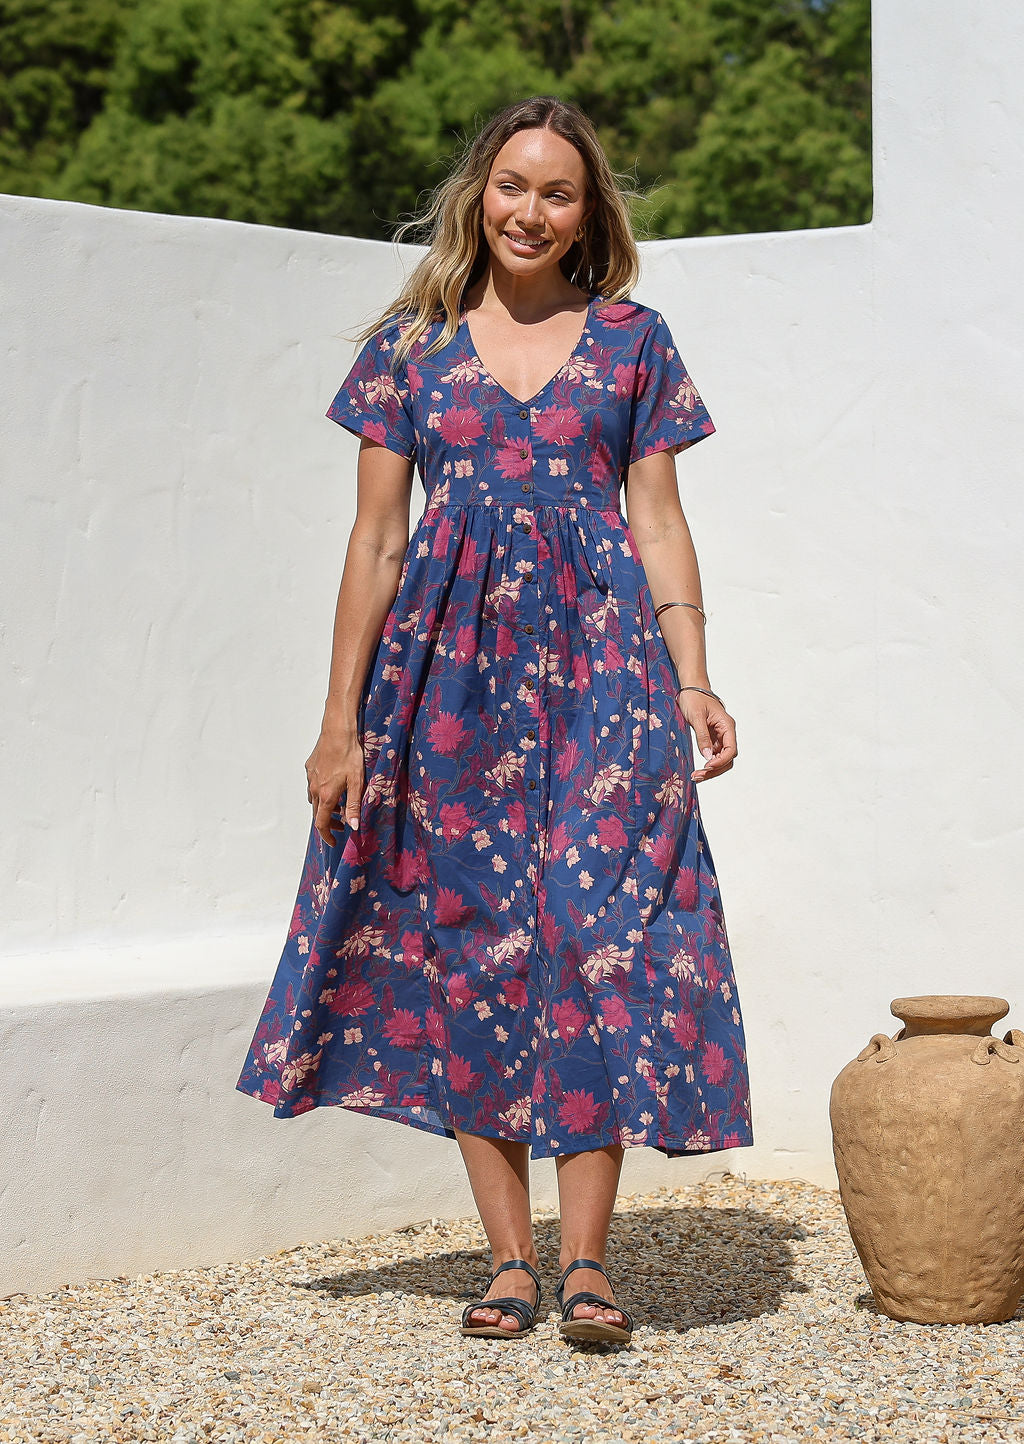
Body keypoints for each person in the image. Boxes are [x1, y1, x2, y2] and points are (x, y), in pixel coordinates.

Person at [236, 94, 753, 1345]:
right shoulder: (409, 346)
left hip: (604, 671)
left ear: (590, 213)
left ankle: (589, 1263)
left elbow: (659, 518)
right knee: (469, 943)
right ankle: (508, 1260)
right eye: (513, 185)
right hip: (445, 684)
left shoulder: (633, 341)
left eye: (558, 192)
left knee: (593, 932)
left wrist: (691, 669)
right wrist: (337, 721)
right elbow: (373, 539)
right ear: (480, 193)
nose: (531, 209)